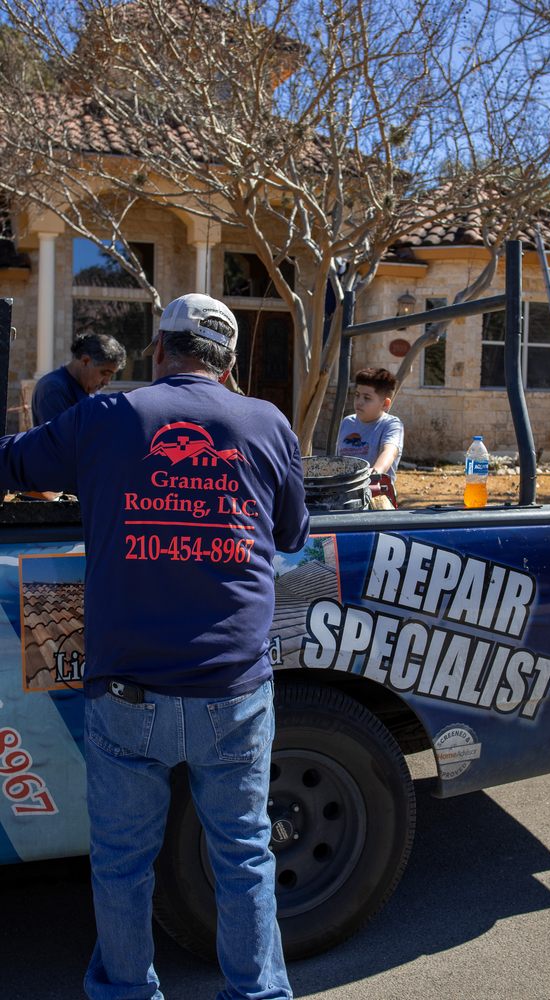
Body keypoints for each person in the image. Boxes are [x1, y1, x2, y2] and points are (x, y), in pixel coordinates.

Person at [0, 292, 309, 1000]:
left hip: (128, 692)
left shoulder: (109, 416)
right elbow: (292, 536)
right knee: (241, 857)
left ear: (160, 350)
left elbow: (14, 466)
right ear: (228, 366)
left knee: (121, 862)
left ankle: (127, 992)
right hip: (233, 693)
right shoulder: (266, 423)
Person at [31, 332, 127, 425]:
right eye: (104, 373)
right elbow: (62, 439)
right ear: (85, 361)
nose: (106, 382)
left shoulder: (89, 389)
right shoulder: (53, 389)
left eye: (111, 376)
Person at [336, 366, 404, 482]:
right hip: (345, 493)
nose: (359, 402)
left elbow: (389, 452)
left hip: (376, 494)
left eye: (367, 398)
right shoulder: (347, 422)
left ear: (385, 404)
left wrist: (375, 472)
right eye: (357, 395)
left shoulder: (391, 425)